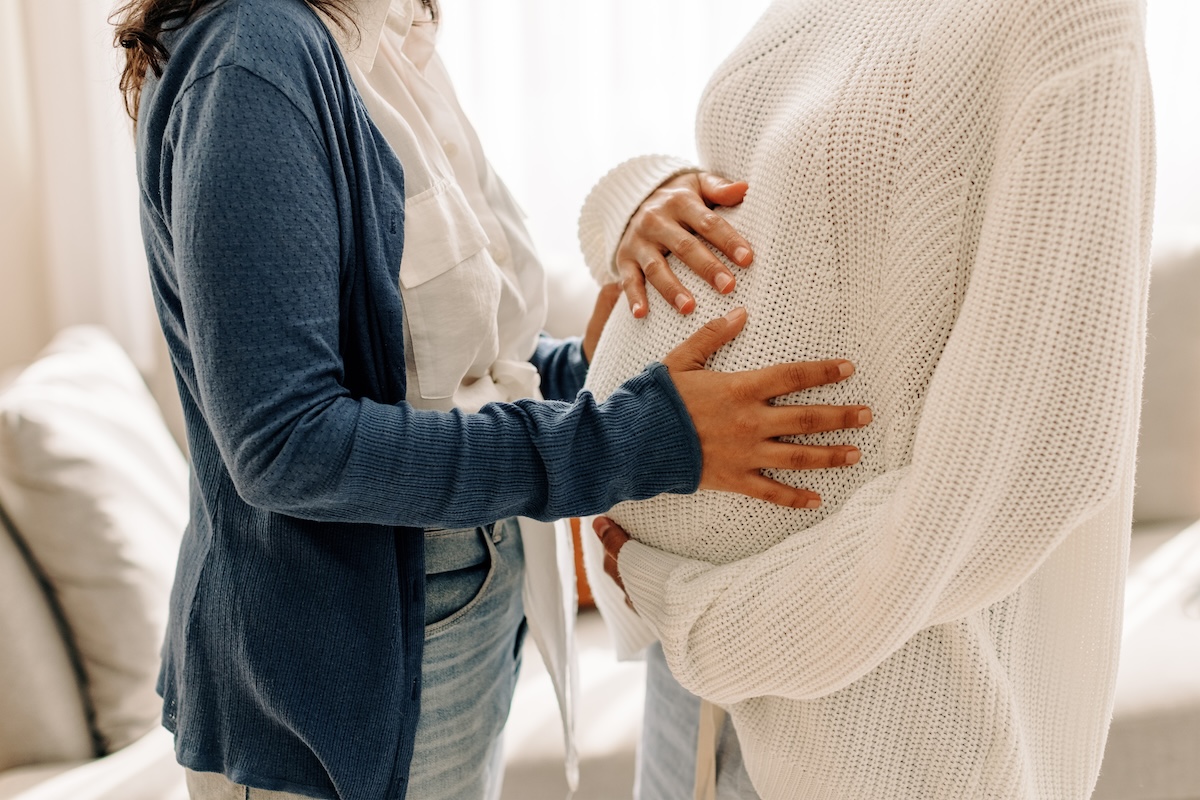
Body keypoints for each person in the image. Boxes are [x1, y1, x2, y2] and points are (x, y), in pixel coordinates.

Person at [111, 0, 875, 798]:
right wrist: (635, 438)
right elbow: (288, 445)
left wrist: (596, 366)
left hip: (463, 610)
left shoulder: (392, 44)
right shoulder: (254, 56)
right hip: (341, 661)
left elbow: (447, 374)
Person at [579, 0, 1155, 798]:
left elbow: (1027, 473)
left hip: (876, 717)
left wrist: (700, 617)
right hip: (699, 688)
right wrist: (643, 199)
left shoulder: (1068, 18)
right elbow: (778, 177)